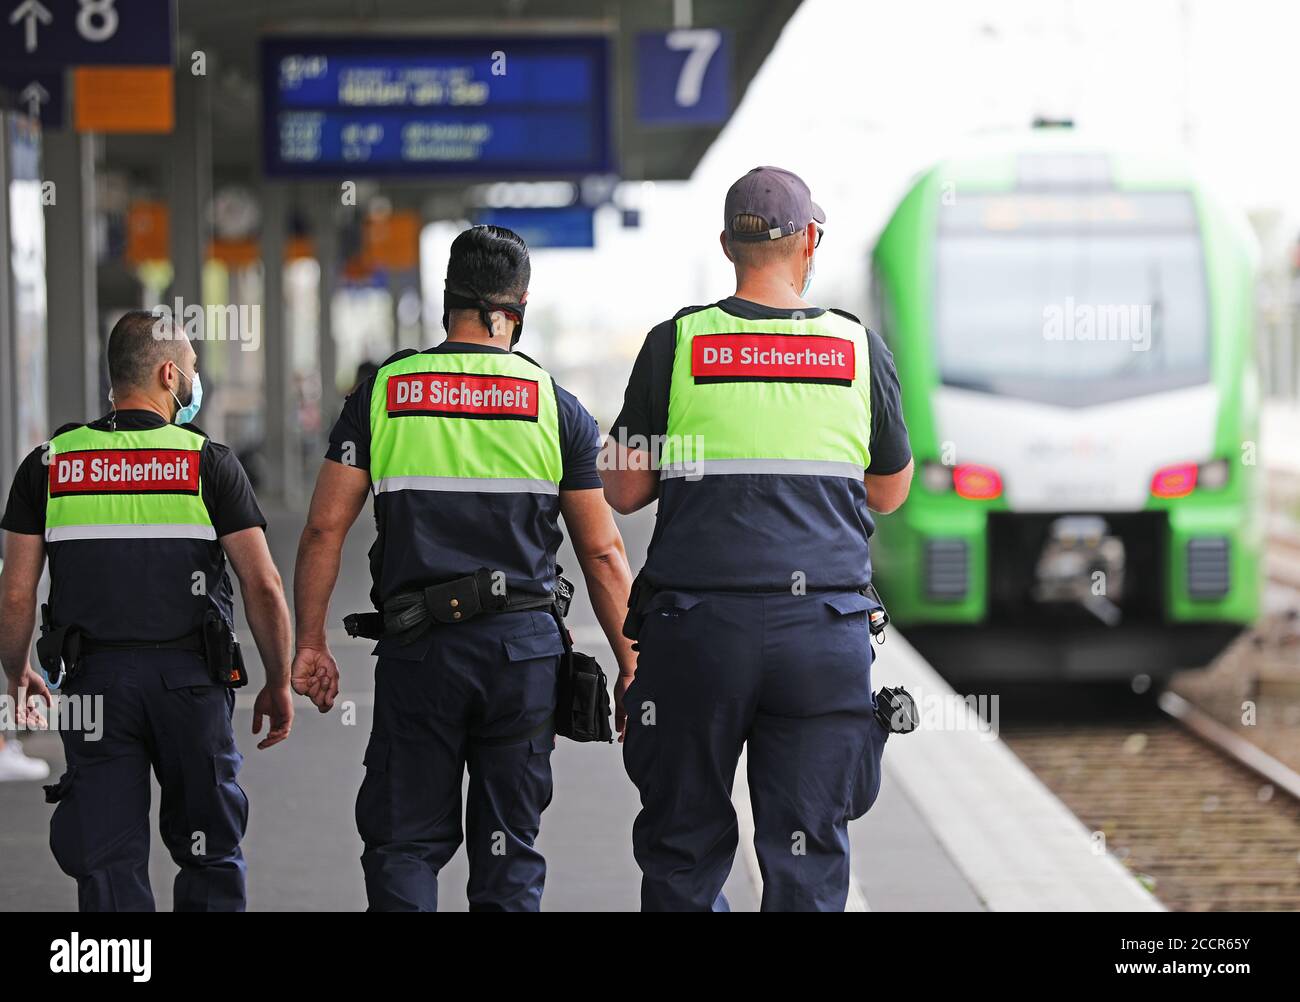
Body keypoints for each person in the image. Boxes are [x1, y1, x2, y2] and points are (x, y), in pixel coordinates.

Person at [292, 224, 637, 911]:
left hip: (419, 652)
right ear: (518, 307)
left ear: (448, 299)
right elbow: (602, 552)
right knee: (509, 852)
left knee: (404, 845)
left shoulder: (384, 393)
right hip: (520, 657)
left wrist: (310, 642)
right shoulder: (555, 408)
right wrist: (632, 663)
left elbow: (325, 526)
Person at [601, 166, 914, 911]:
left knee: (683, 847)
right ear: (809, 241)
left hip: (696, 635)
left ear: (726, 245)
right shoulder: (856, 348)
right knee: (806, 855)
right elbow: (890, 490)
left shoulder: (674, 345)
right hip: (821, 639)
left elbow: (621, 488)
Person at [0, 310, 294, 911]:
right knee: (208, 848)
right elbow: (262, 584)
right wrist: (278, 679)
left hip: (93, 688)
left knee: (107, 859)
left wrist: (16, 670)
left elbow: (14, 593)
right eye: (190, 368)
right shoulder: (207, 463)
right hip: (190, 685)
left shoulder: (50, 465)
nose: (193, 379)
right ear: (168, 373)